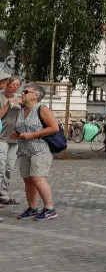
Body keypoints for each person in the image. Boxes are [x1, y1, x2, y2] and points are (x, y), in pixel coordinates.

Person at [11, 84, 58, 220]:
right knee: (28, 180)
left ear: (35, 95)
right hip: (24, 150)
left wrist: (32, 135)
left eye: (26, 91)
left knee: (38, 179)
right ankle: (32, 208)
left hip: (40, 149)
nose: (22, 93)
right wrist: (17, 134)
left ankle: (50, 209)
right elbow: (22, 128)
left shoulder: (42, 108)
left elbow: (54, 128)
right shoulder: (21, 111)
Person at [0, 76, 24, 207]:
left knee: (9, 168)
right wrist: (8, 104)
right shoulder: (1, 97)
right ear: (7, 84)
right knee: (0, 167)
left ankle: (3, 195)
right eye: (12, 84)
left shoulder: (20, 99)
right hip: (1, 137)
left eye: (17, 85)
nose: (14, 86)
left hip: (14, 138)